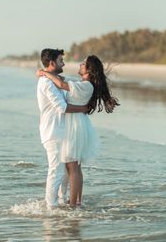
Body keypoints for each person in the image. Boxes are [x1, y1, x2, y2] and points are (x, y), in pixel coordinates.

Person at [37, 55, 119, 207]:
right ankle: (77, 201)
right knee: (76, 166)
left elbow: (61, 84)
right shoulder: (83, 83)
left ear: (89, 69)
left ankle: (73, 205)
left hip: (74, 125)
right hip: (76, 123)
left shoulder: (85, 85)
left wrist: (44, 73)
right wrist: (46, 73)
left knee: (72, 166)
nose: (80, 65)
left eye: (83, 64)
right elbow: (63, 79)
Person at [37, 48, 88, 210]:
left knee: (66, 172)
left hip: (63, 132)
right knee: (56, 171)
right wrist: (83, 109)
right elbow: (62, 107)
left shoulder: (54, 79)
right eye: (60, 61)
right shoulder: (46, 83)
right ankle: (50, 208)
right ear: (52, 63)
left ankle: (62, 201)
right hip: (52, 133)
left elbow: (72, 83)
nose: (63, 63)